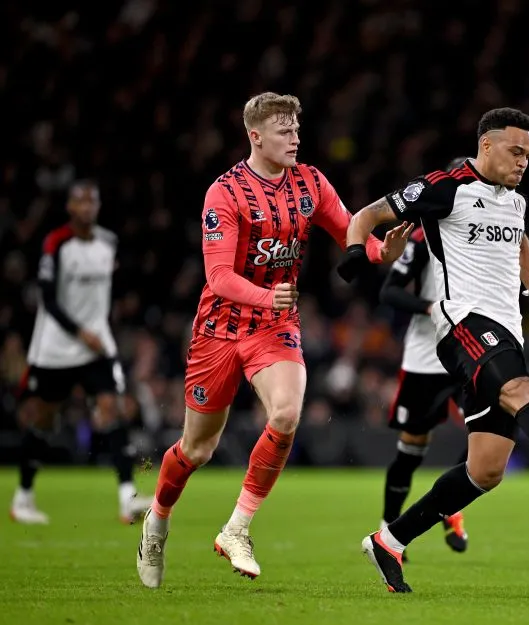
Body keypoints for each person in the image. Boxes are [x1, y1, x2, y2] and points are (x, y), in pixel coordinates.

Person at [339, 107, 529, 593]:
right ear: (486, 145)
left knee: (486, 469)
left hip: (506, 330)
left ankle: (389, 540)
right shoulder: (446, 187)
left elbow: (519, 240)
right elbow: (368, 215)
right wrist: (358, 250)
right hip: (461, 323)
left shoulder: (514, 200)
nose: (524, 162)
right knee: (522, 390)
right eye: (515, 151)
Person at [135, 92, 410, 589]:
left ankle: (237, 529)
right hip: (220, 327)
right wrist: (267, 295)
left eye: (297, 129)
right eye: (285, 130)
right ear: (255, 136)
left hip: (274, 325)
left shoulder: (310, 183)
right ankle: (156, 521)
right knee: (198, 449)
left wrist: (376, 251)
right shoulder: (225, 193)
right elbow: (218, 277)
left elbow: (347, 228)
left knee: (286, 413)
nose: (296, 138)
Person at [12, 180, 151, 526]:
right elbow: (47, 299)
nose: (87, 207)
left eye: (92, 201)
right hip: (56, 349)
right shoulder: (56, 244)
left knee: (113, 409)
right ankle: (23, 498)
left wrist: (100, 331)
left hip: (96, 347)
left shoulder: (108, 243)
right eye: (80, 202)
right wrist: (80, 332)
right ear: (70, 208)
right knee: (43, 419)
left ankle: (126, 499)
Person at [378, 157, 471, 559]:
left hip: (472, 349)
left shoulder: (484, 233)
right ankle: (387, 527)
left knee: (490, 432)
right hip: (426, 355)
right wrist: (431, 307)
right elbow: (390, 291)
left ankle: (452, 508)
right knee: (413, 444)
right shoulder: (419, 238)